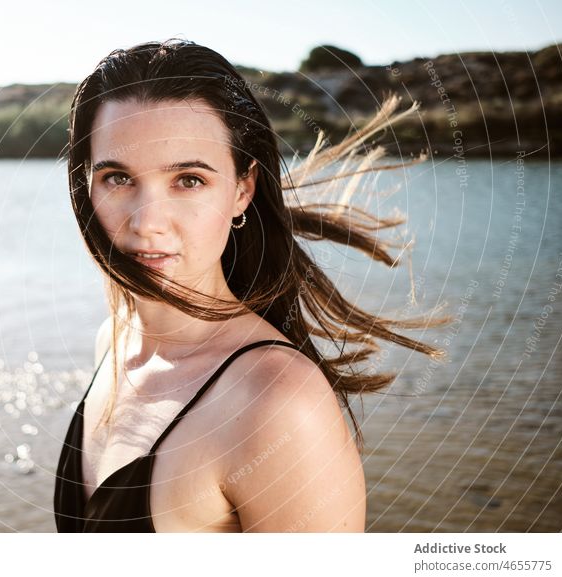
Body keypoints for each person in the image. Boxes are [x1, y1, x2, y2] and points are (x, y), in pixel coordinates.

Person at [54, 38, 449, 533]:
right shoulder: (113, 340)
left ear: (242, 189)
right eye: (117, 177)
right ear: (84, 186)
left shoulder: (277, 405)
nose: (147, 222)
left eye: (189, 180)